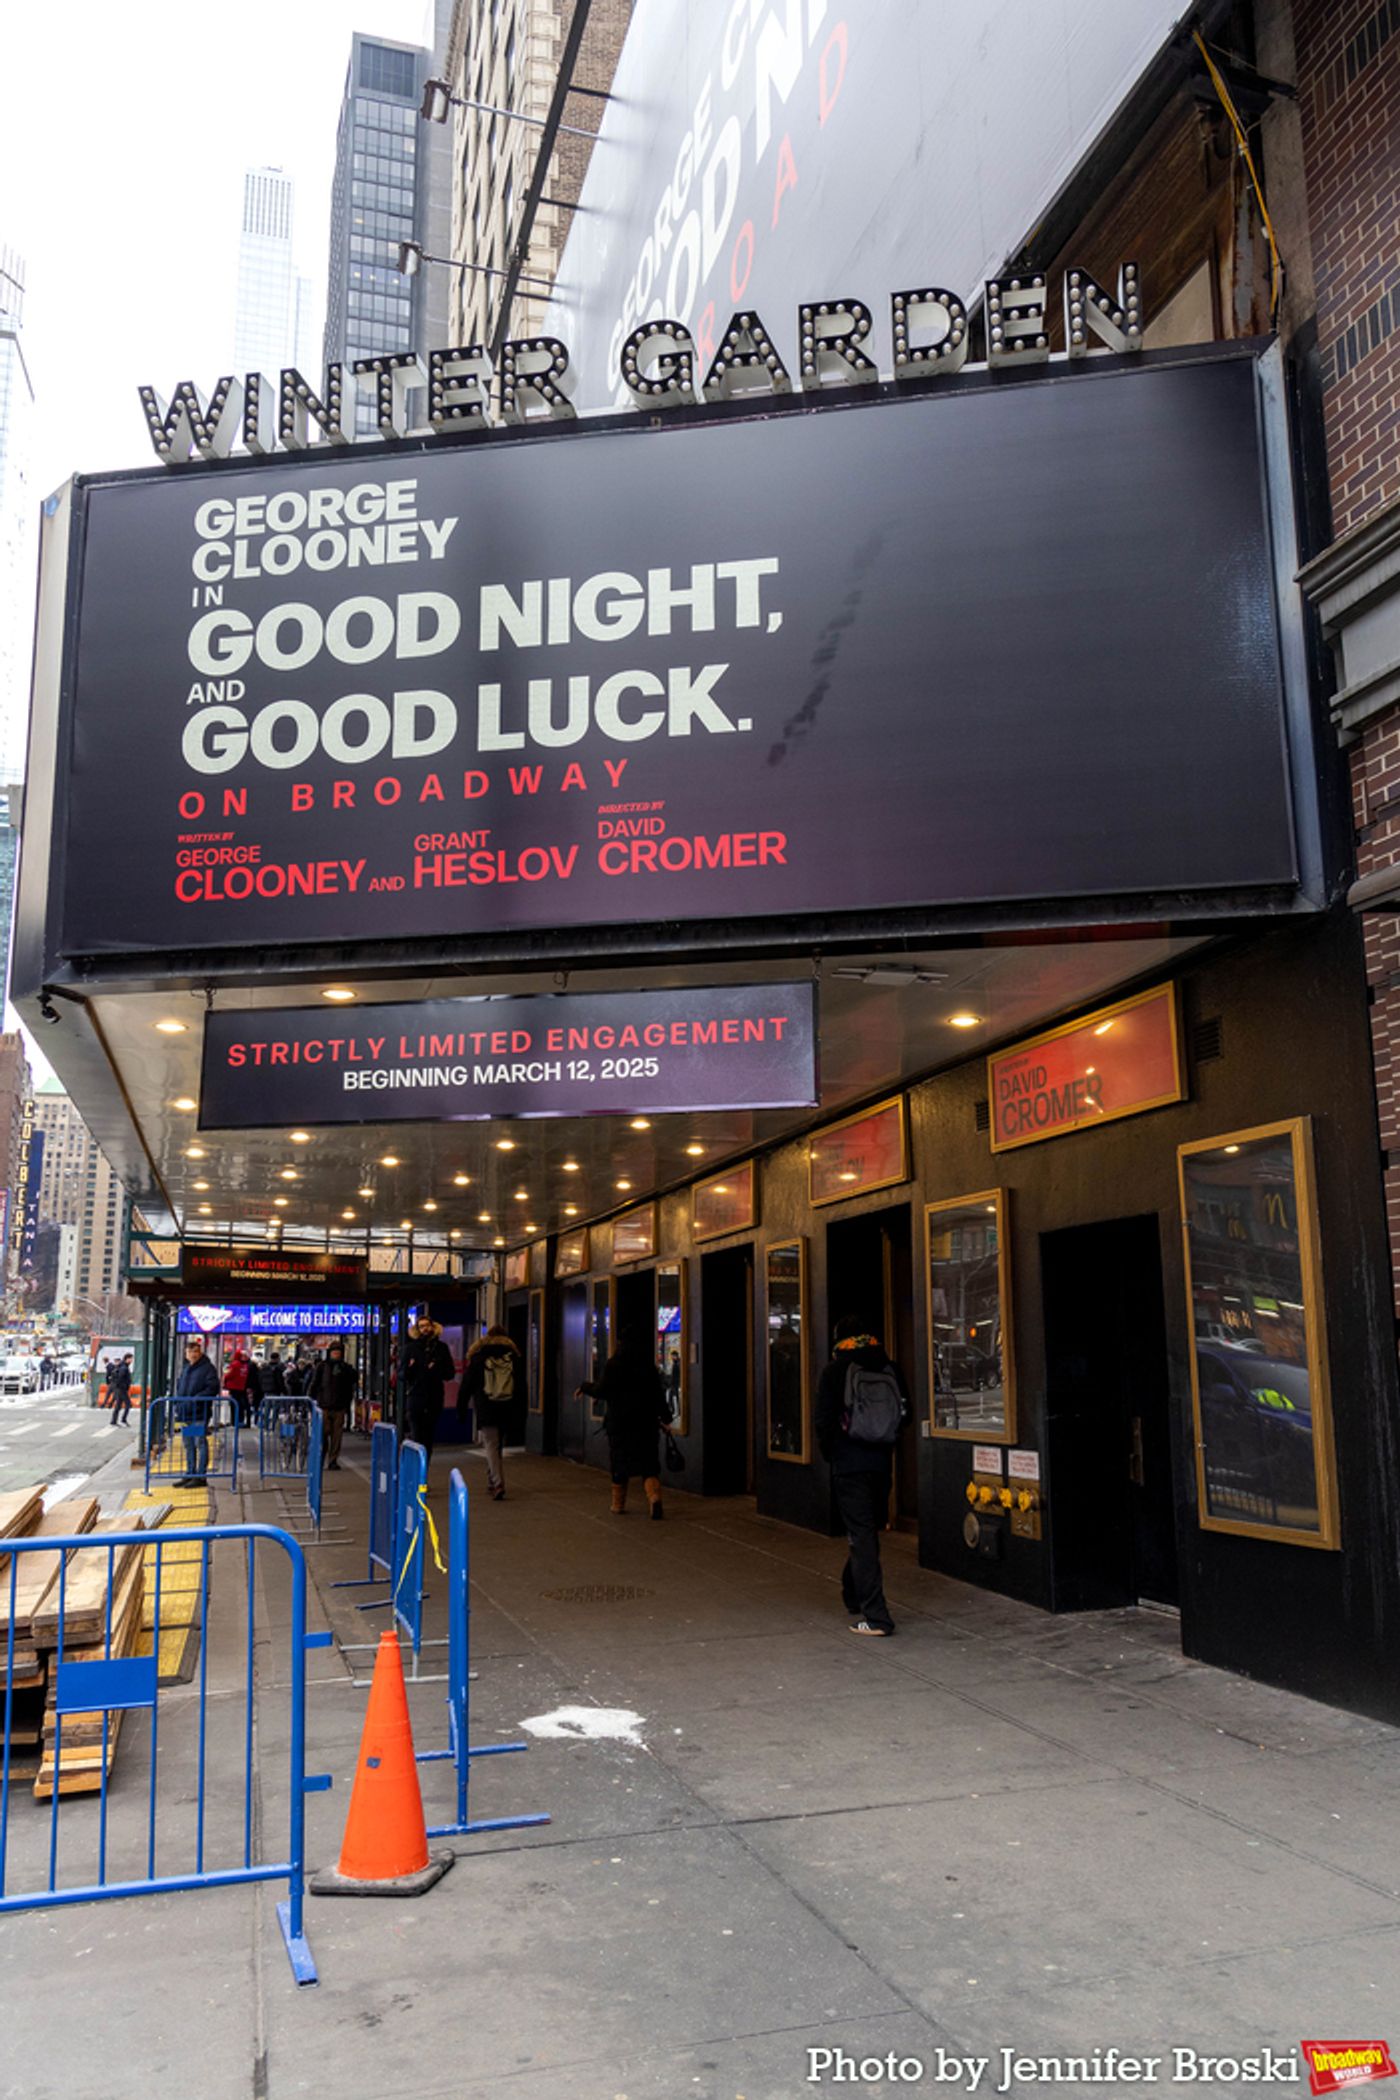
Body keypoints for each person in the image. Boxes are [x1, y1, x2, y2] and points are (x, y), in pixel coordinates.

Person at [815, 1315, 910, 1637]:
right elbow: (905, 1414)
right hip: (881, 1463)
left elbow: (823, 1420)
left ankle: (877, 1617)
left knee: (862, 1536)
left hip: (849, 1465)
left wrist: (833, 1453)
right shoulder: (890, 1368)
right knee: (867, 1533)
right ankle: (852, 1593)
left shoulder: (834, 1370)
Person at [578, 1323, 673, 1519]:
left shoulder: (614, 1364)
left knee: (619, 1463)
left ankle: (618, 1504)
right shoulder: (648, 1366)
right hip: (646, 1423)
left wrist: (584, 1387)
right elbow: (657, 1395)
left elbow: (602, 1390)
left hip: (620, 1423)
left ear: (620, 1342)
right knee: (649, 1464)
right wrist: (666, 1418)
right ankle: (654, 1497)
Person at [461, 1325, 520, 1500]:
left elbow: (467, 1385)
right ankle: (492, 1479)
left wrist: (461, 1407)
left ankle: (497, 1482)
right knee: (497, 1444)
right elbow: (521, 1385)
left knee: (491, 1444)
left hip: (486, 1406)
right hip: (507, 1406)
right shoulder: (514, 1357)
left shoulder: (479, 1357)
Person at [404, 1314, 456, 1463]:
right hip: (416, 1397)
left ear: (433, 1327)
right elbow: (402, 1374)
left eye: (427, 1325)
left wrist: (437, 1368)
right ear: (417, 1329)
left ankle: (423, 1471)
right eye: (421, 1326)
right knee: (416, 1436)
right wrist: (411, 1368)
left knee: (428, 1438)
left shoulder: (441, 1348)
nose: (425, 1329)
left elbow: (450, 1373)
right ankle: (416, 1469)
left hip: (434, 1397)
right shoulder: (410, 1348)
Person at [172, 1338, 221, 1485]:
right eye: (190, 1352)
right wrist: (179, 1404)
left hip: (199, 1412)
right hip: (185, 1412)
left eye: (195, 1351)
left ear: (200, 1353)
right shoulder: (186, 1368)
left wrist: (196, 1399)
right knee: (188, 1444)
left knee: (199, 1442)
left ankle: (200, 1476)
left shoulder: (207, 1368)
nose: (192, 1354)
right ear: (186, 1354)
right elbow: (180, 1388)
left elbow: (213, 1388)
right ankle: (190, 1472)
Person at [308, 1339, 357, 1468]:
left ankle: (333, 1460)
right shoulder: (322, 1367)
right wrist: (311, 1400)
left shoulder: (345, 1368)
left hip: (339, 1406)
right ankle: (323, 1455)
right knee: (324, 1433)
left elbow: (352, 1383)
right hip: (324, 1405)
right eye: (334, 1352)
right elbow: (314, 1383)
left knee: (336, 1435)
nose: (336, 1354)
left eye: (338, 1352)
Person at [107, 1352, 134, 1427]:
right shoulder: (124, 1368)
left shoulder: (121, 1366)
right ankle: (123, 1420)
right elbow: (120, 1378)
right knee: (128, 1404)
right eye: (131, 1359)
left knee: (118, 1405)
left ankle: (113, 1421)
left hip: (119, 1389)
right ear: (127, 1359)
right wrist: (124, 1386)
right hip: (122, 1389)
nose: (131, 1360)